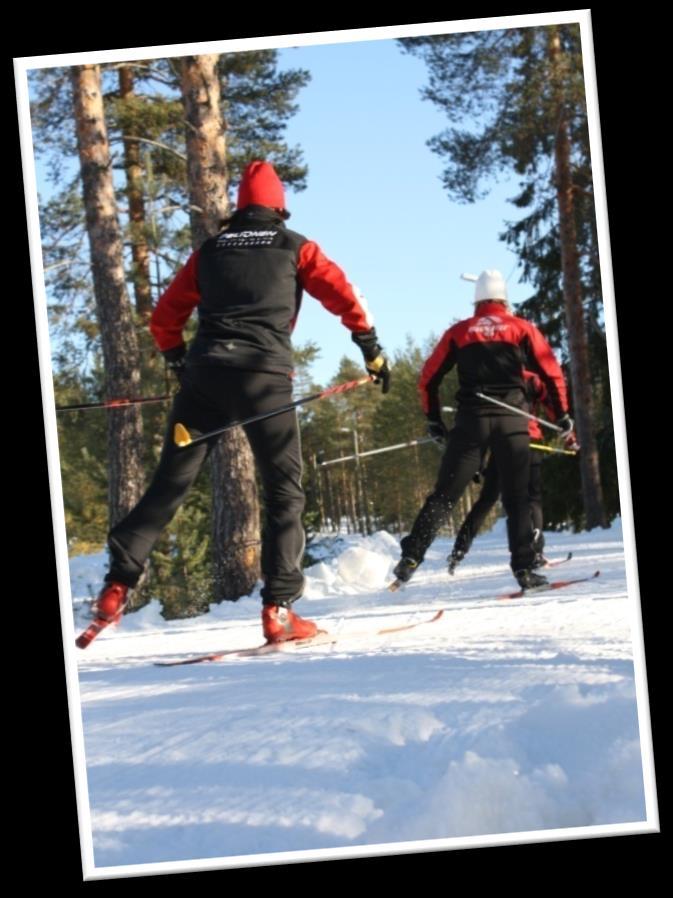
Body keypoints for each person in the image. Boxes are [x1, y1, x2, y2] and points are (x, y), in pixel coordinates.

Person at [77, 161, 391, 649]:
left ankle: (118, 582)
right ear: (279, 206)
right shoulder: (295, 245)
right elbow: (343, 294)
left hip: (204, 381)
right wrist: (370, 348)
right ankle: (279, 610)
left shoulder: (209, 251)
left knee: (169, 485)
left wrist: (180, 361)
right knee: (284, 493)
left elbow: (165, 317)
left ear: (239, 208)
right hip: (263, 380)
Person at [393, 269, 573, 591]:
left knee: (445, 495)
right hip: (513, 424)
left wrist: (434, 419)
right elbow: (551, 372)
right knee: (517, 499)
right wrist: (562, 415)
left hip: (471, 422)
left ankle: (411, 557)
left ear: (476, 300)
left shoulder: (459, 332)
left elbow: (428, 379)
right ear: (504, 299)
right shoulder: (521, 328)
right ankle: (525, 569)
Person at [447, 370, 575, 573]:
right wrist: (570, 437)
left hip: (506, 442)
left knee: (490, 499)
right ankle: (534, 553)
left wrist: (476, 459)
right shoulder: (530, 379)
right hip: (524, 441)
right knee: (528, 498)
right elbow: (555, 409)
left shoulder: (497, 378)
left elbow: (479, 422)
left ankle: (459, 549)